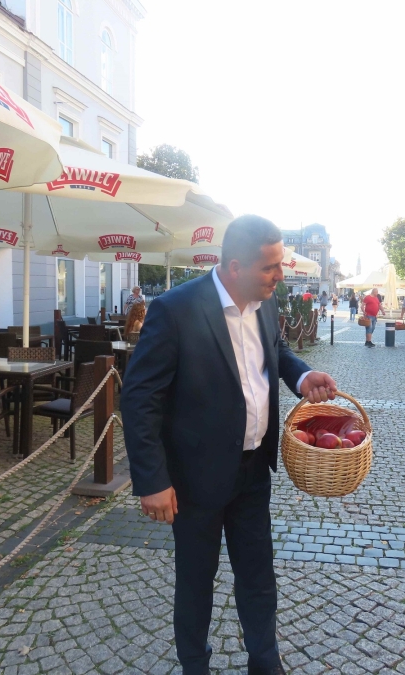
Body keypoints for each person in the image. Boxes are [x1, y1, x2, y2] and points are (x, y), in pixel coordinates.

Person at [121, 214, 337, 675]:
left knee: (259, 575)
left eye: (279, 265)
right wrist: (152, 480)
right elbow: (140, 398)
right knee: (196, 581)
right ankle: (194, 666)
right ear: (235, 267)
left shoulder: (265, 304)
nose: (279, 276)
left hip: (254, 470)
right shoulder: (176, 309)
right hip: (195, 476)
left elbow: (276, 351)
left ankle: (265, 662)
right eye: (270, 267)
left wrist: (302, 376)